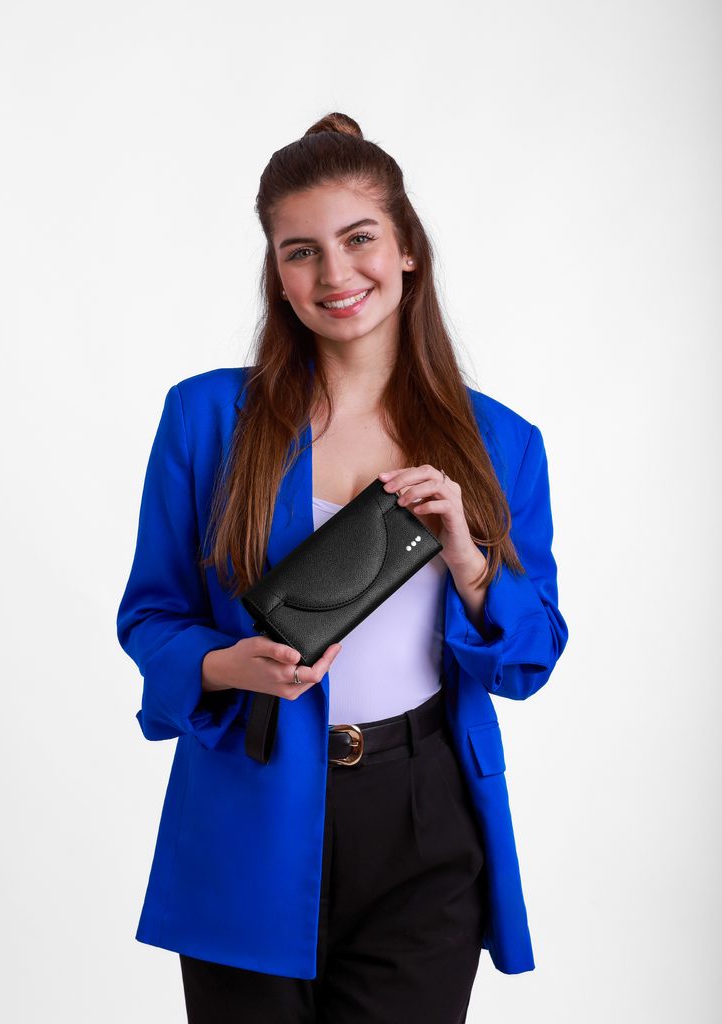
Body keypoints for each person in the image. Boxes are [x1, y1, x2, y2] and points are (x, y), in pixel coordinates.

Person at [116, 111, 569, 1024]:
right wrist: (223, 664)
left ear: (407, 250)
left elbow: (532, 654)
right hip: (248, 806)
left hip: (423, 817)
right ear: (277, 276)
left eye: (359, 238)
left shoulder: (499, 443)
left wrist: (467, 556)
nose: (335, 274)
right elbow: (150, 616)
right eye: (301, 252)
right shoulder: (207, 420)